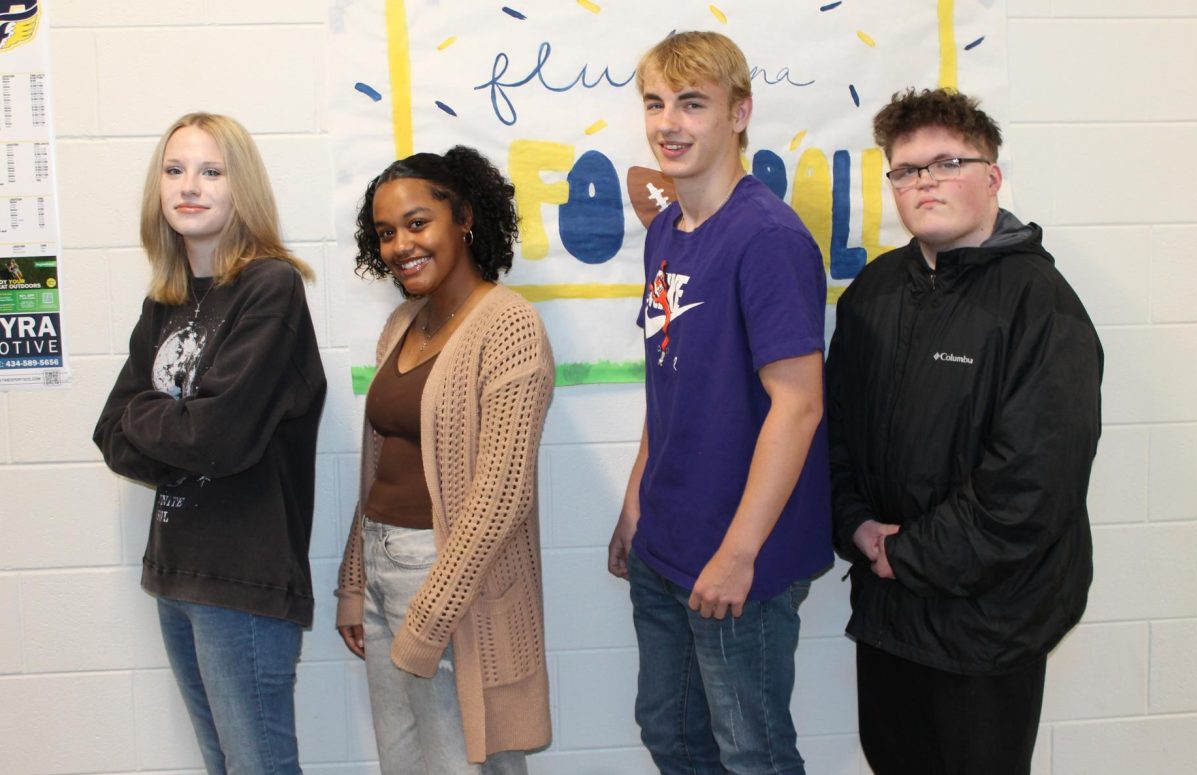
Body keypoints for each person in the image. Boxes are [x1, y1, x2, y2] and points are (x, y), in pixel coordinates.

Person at [826, 87, 1103, 775]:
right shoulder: (873, 293)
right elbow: (832, 435)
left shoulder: (1042, 307)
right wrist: (857, 526)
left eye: (947, 163)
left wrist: (906, 552)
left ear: (993, 177)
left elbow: (1032, 489)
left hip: (989, 628)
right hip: (889, 618)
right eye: (907, 169)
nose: (925, 182)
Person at [607, 31, 831, 775]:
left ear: (740, 113)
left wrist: (739, 554)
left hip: (739, 559)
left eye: (693, 104)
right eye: (655, 103)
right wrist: (636, 499)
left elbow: (797, 407)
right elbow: (666, 374)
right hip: (665, 541)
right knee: (670, 735)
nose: (669, 123)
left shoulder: (767, 238)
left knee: (753, 754)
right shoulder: (667, 228)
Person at [93, 112, 326, 774]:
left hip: (243, 578)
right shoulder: (164, 300)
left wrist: (160, 413)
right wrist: (177, 421)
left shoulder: (270, 287)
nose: (189, 186)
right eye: (175, 170)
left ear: (239, 186)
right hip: (175, 570)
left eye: (210, 171)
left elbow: (218, 438)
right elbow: (111, 431)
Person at [334, 147, 554, 774]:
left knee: (463, 762)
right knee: (404, 763)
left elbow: (503, 492)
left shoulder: (508, 325)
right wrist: (355, 579)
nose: (401, 244)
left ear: (464, 218)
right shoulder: (404, 321)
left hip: (449, 578)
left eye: (416, 222)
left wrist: (431, 614)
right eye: (384, 233)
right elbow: (380, 460)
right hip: (383, 563)